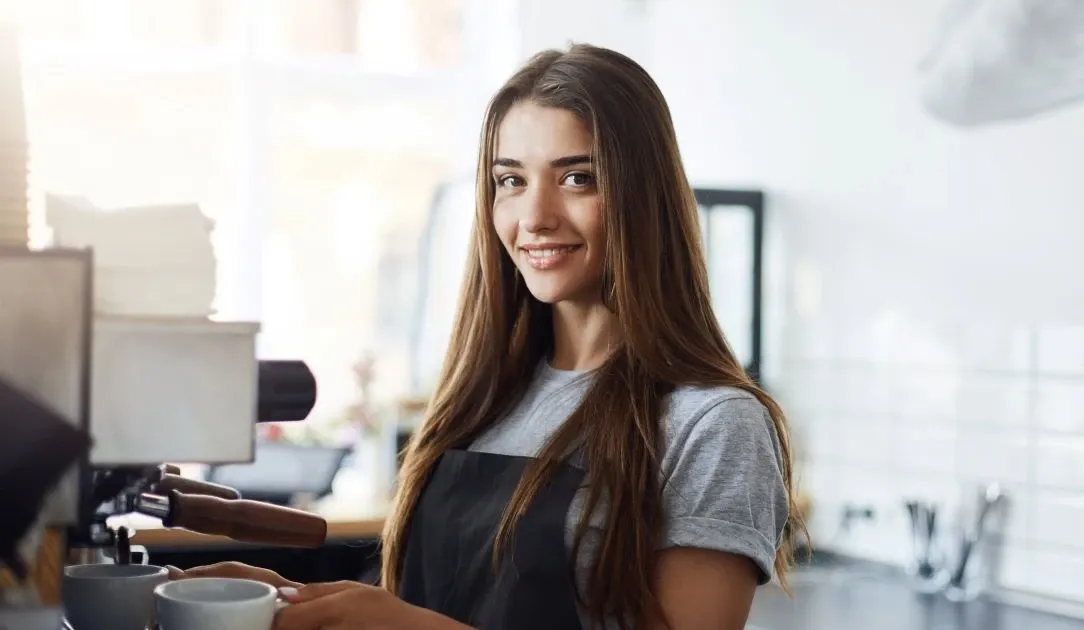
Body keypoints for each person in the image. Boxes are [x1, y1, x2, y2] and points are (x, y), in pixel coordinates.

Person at [168, 43, 806, 630]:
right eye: (511, 181)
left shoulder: (714, 424)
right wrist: (290, 601)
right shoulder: (483, 399)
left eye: (578, 177)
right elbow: (432, 605)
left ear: (644, 196)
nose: (534, 217)